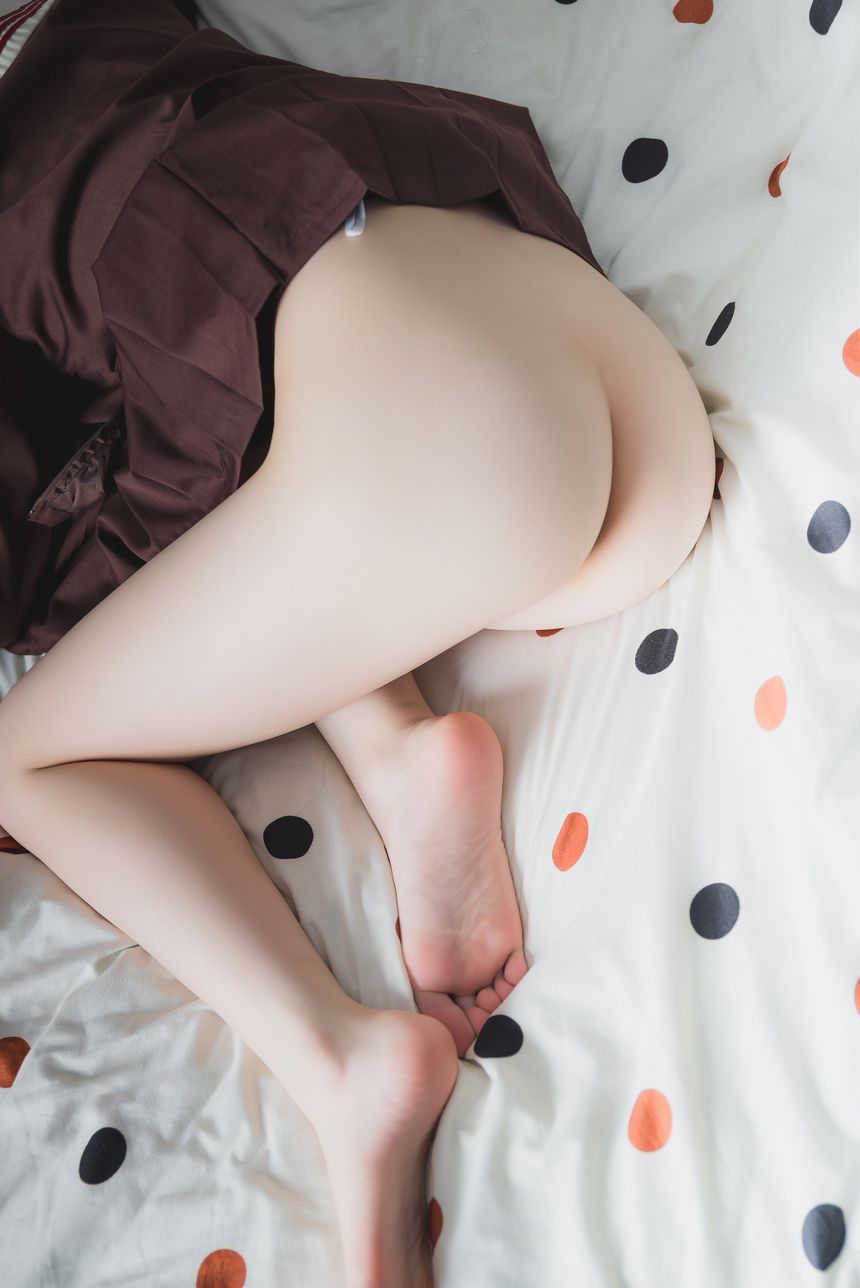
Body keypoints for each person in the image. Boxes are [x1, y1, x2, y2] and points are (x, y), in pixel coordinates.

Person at [0, 3, 717, 1284]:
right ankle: (392, 751)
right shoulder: (115, 40)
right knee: (246, 500)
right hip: (585, 383)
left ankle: (342, 1062)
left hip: (433, 433)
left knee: (27, 759)